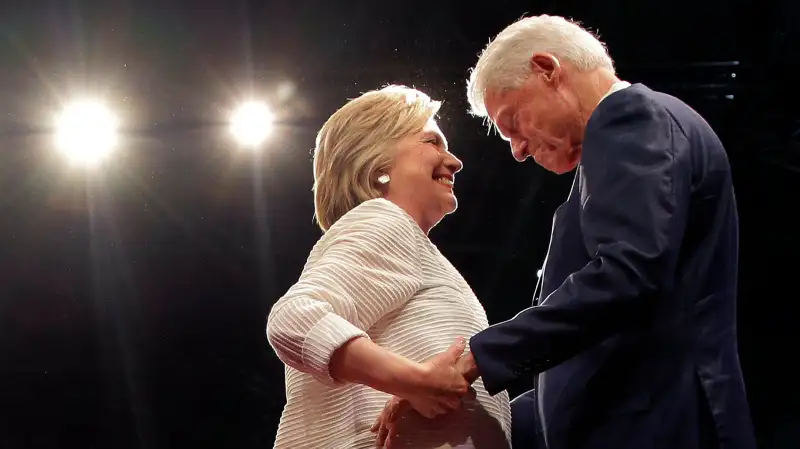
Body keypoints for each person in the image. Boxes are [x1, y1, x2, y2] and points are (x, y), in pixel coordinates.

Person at [373, 15, 756, 449]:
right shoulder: (626, 139)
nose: (517, 151)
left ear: (548, 70)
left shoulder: (629, 119)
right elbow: (593, 355)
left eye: (513, 121)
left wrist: (474, 360)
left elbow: (627, 276)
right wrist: (470, 414)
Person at [266, 85, 511, 448]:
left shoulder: (410, 243)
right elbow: (295, 318)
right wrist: (414, 380)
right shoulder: (385, 221)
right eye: (432, 142)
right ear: (378, 163)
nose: (455, 161)